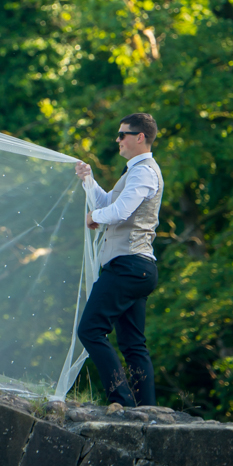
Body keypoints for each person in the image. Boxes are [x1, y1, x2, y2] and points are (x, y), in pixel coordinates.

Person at [73, 114, 164, 407]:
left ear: (141, 138)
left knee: (90, 329)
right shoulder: (134, 172)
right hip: (136, 268)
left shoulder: (144, 172)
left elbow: (119, 211)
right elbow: (107, 203)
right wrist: (88, 179)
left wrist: (92, 218)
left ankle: (122, 400)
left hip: (128, 266)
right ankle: (145, 410)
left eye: (123, 134)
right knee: (133, 344)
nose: (118, 139)